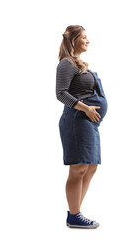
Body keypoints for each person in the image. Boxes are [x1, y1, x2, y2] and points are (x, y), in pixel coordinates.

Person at [56, 25, 107, 229]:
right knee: (78, 168)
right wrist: (86, 108)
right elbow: (61, 93)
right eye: (84, 37)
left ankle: (76, 211)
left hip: (88, 123)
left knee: (90, 167)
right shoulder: (66, 64)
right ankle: (74, 215)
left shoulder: (80, 64)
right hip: (77, 120)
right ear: (73, 40)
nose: (88, 41)